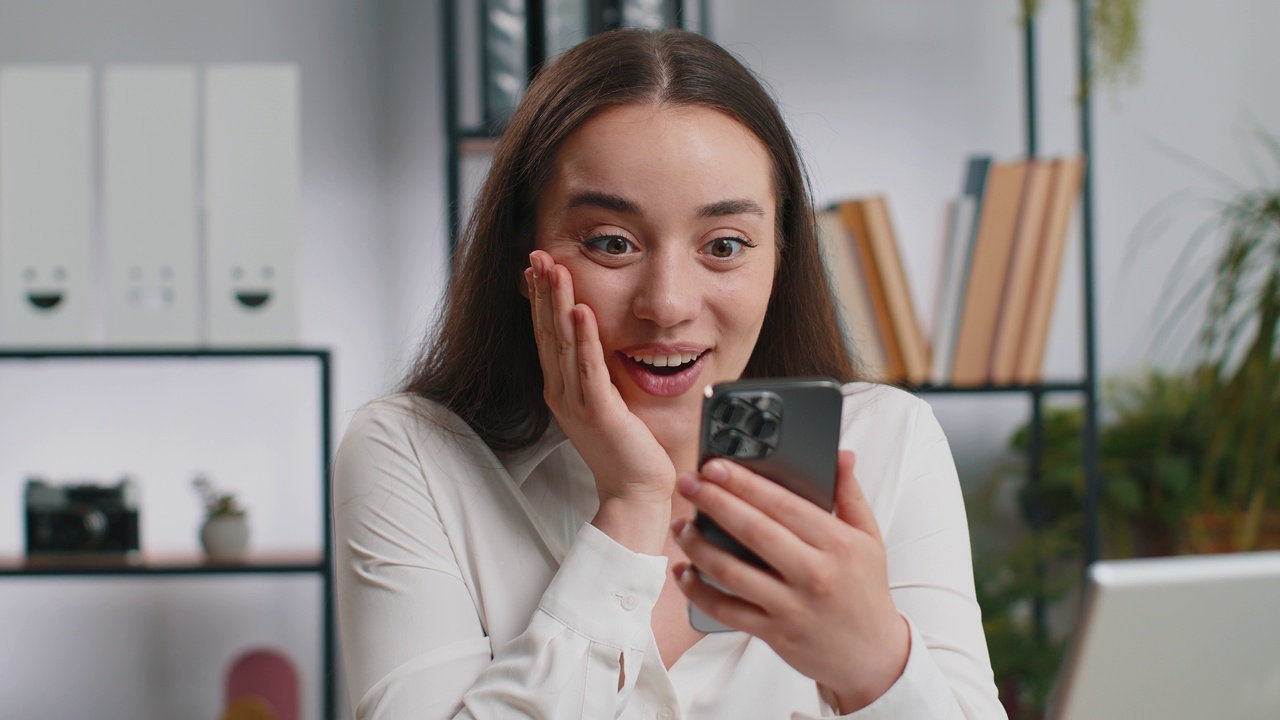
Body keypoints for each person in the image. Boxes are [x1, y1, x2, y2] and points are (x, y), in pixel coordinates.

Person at [333, 27, 1005, 719]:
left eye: (724, 245)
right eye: (612, 244)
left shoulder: (889, 443)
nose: (668, 305)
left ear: (781, 257)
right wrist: (631, 506)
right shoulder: (413, 455)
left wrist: (873, 667)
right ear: (524, 250)